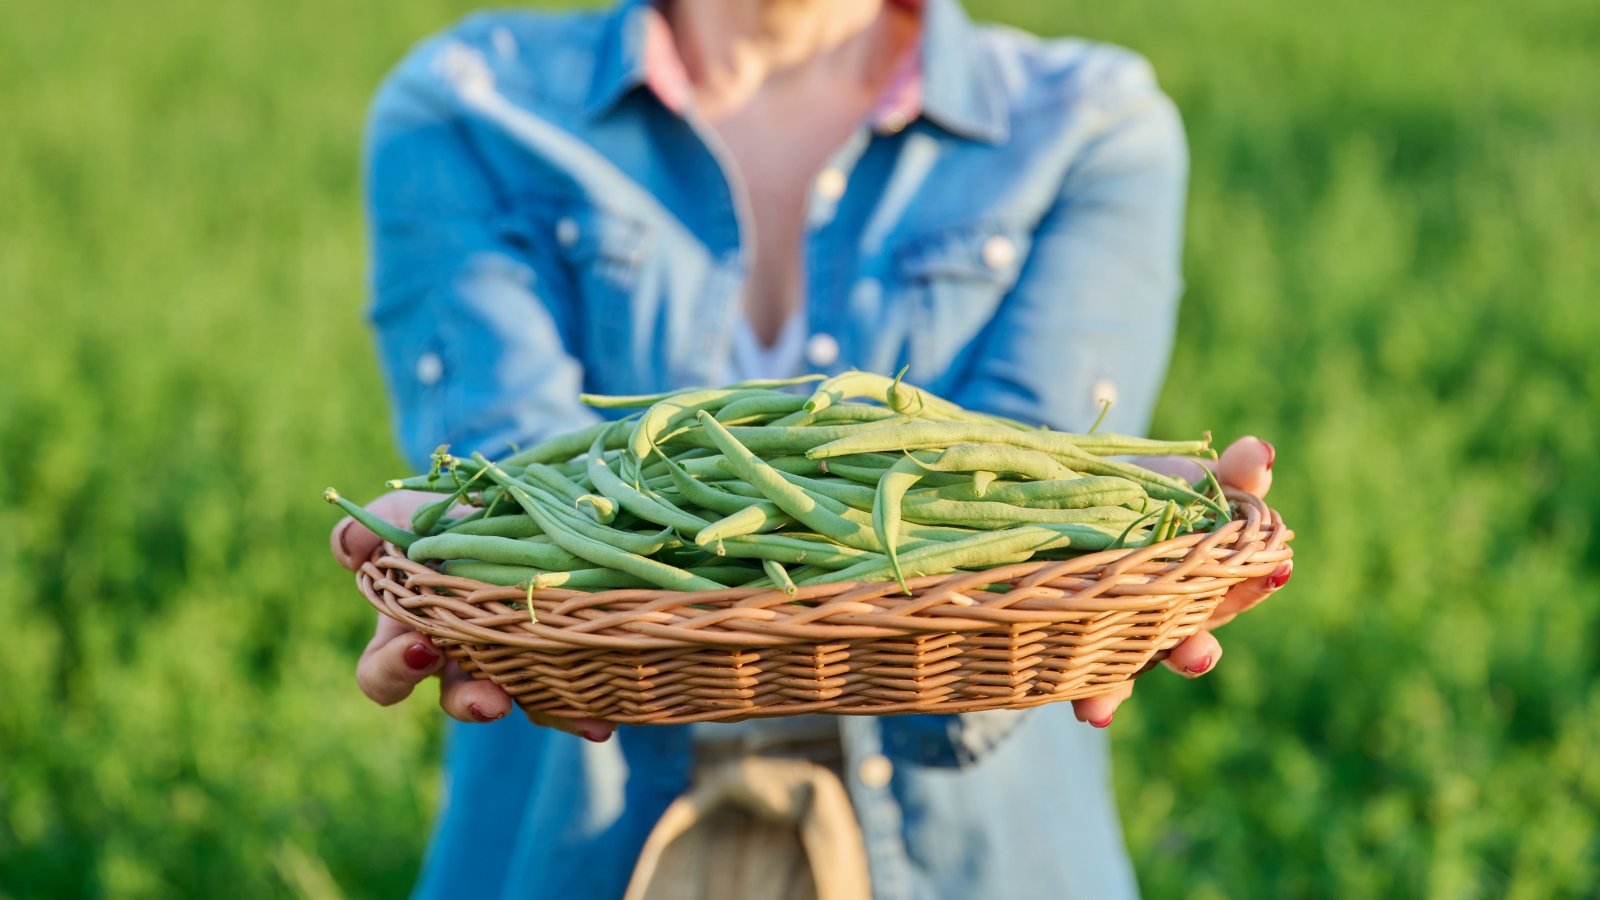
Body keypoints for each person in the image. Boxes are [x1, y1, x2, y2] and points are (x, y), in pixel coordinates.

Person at [329, 0, 1292, 897]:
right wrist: (462, 571)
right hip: (579, 842)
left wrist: (1126, 537)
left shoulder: (1089, 121)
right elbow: (521, 492)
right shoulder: (470, 106)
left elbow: (1019, 517)